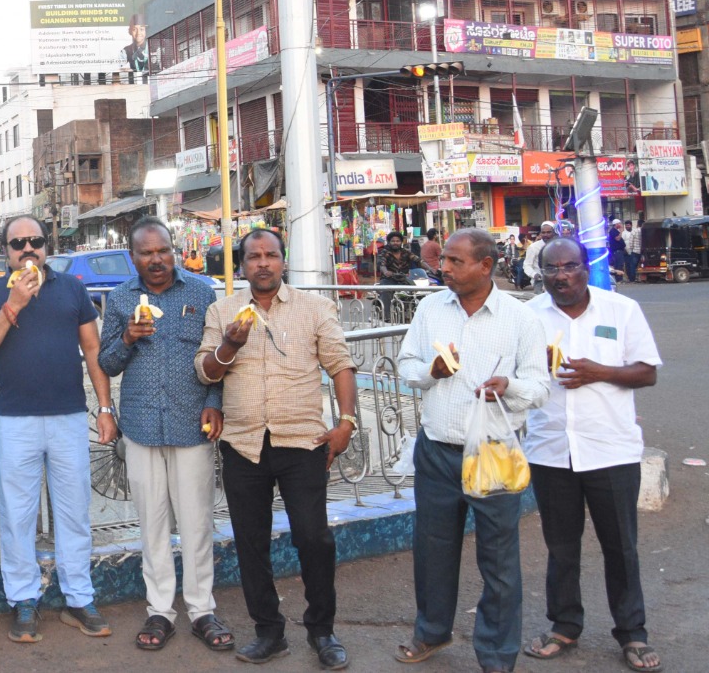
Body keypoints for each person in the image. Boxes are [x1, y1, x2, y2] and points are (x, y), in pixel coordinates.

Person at [196, 228, 357, 669]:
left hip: (302, 441)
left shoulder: (315, 307)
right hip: (243, 444)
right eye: (254, 257)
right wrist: (230, 344)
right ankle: (269, 632)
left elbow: (341, 365)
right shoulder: (222, 310)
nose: (263, 263)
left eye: (270, 255)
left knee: (314, 538)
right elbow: (206, 372)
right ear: (242, 265)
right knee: (251, 542)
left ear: (283, 261)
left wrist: (346, 423)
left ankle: (322, 631)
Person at [395, 228, 549, 673]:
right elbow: (406, 365)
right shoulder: (430, 308)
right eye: (443, 259)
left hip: (494, 453)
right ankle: (431, 632)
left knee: (498, 559)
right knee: (432, 550)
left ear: (485, 266)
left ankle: (497, 654)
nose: (443, 268)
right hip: (436, 450)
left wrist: (508, 386)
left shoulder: (520, 318)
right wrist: (432, 371)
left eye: (455, 261)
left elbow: (540, 388)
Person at [0, 215, 118, 643]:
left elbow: (93, 349)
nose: (28, 249)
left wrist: (104, 408)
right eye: (18, 243)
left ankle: (79, 598)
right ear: (5, 251)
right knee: (17, 515)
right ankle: (23, 599)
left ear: (46, 245)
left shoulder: (71, 288)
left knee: (74, 511)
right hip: (17, 420)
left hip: (68, 416)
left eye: (34, 241)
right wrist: (13, 303)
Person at [522, 238, 663, 672]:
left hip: (610, 449)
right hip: (551, 450)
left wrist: (597, 372)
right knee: (561, 546)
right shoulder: (529, 317)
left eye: (570, 266)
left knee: (621, 546)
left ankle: (632, 633)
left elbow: (647, 372)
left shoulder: (621, 310)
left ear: (586, 268)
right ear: (541, 273)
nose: (561, 276)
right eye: (551, 269)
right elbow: (513, 374)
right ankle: (564, 625)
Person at [99, 218, 232, 654]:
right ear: (132, 257)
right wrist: (127, 337)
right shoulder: (121, 298)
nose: (156, 260)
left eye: (163, 251)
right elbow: (107, 363)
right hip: (140, 427)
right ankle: (160, 610)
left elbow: (216, 356)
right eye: (146, 253)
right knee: (152, 524)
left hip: (192, 424)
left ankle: (201, 609)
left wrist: (214, 400)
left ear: (174, 251)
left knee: (196, 522)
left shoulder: (201, 293)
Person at [524, 220, 556, 293]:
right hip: (540, 282)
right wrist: (534, 275)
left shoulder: (557, 245)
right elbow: (527, 265)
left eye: (548, 232)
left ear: (554, 233)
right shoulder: (533, 247)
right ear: (540, 233)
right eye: (543, 232)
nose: (546, 235)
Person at [622, 219, 643, 283]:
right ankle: (633, 278)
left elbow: (631, 242)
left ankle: (634, 279)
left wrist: (631, 249)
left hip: (634, 251)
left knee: (633, 266)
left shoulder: (634, 231)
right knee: (632, 266)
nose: (627, 226)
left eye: (628, 225)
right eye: (626, 225)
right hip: (633, 251)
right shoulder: (624, 233)